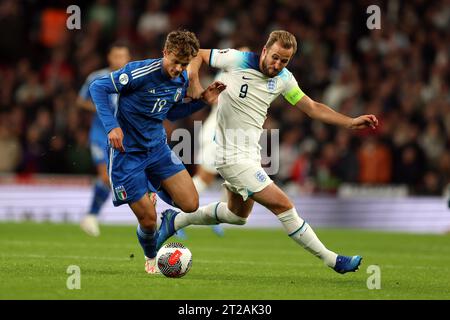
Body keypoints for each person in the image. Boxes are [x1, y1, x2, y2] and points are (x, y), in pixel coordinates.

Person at [157, 30, 379, 274]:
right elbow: (197, 54)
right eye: (274, 57)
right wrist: (195, 83)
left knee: (237, 216)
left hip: (250, 154)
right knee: (283, 205)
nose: (277, 64)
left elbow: (312, 107)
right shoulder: (236, 59)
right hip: (230, 155)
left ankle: (175, 220)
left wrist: (349, 122)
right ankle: (332, 260)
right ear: (264, 50)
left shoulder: (284, 79)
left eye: (284, 61)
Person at [89, 30, 226, 274]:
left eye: (184, 64)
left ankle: (165, 211)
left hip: (157, 150)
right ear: (165, 53)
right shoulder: (139, 72)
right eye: (175, 62)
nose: (178, 68)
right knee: (149, 221)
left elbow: (170, 113)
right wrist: (112, 127)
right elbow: (98, 87)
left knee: (191, 204)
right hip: (126, 154)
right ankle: (151, 255)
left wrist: (202, 100)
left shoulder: (181, 79)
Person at [191, 46, 251, 238]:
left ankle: (218, 217)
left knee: (233, 177)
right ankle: (177, 212)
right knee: (204, 178)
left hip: (223, 134)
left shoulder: (239, 78)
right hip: (215, 134)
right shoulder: (227, 77)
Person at [78, 42, 131, 237]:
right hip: (101, 135)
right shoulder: (96, 77)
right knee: (105, 176)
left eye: (123, 56)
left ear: (128, 58)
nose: (119, 60)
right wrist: (102, 109)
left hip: (124, 136)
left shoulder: (132, 78)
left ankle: (91, 215)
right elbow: (81, 101)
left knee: (113, 178)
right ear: (109, 57)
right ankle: (91, 216)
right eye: (116, 56)